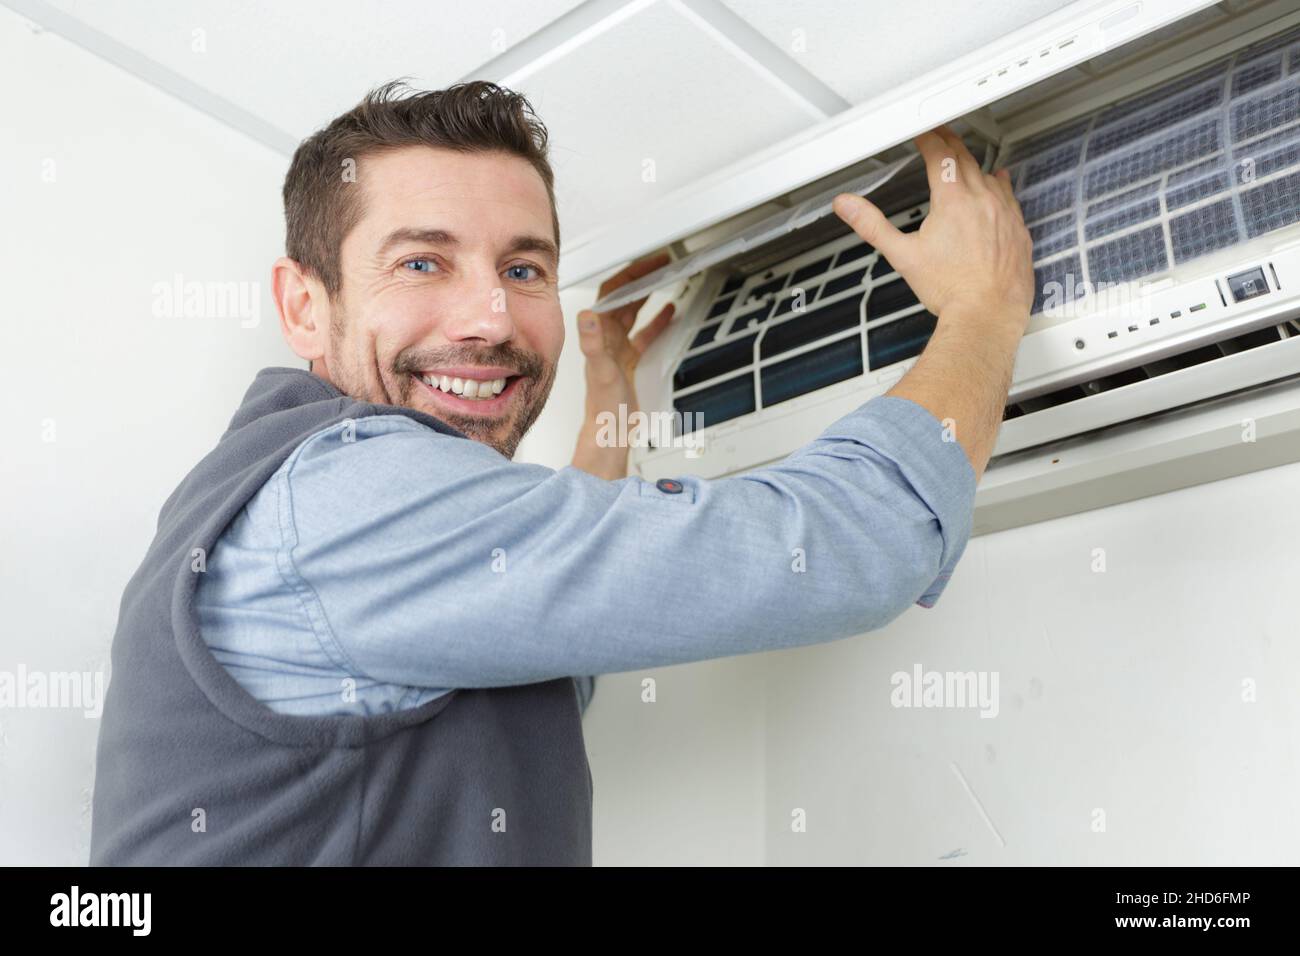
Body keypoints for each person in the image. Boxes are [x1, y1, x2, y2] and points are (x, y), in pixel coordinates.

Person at [89, 80, 1034, 866]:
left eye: (526, 271)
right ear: (304, 305)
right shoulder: (338, 499)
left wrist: (612, 395)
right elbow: (833, 548)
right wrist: (984, 313)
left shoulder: (298, 500)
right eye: (422, 262)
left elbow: (540, 642)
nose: (493, 320)